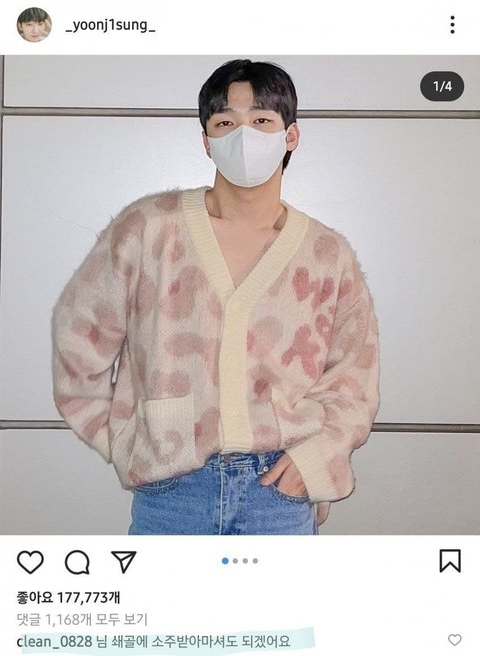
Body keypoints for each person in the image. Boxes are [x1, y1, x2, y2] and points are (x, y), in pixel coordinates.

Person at [51, 59, 380, 535]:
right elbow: (78, 340)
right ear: (206, 140)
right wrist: (126, 441)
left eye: (262, 120)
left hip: (279, 496)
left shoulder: (326, 254)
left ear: (290, 136)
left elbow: (354, 378)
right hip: (172, 496)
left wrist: (317, 458)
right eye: (226, 123)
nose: (244, 135)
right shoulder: (149, 229)